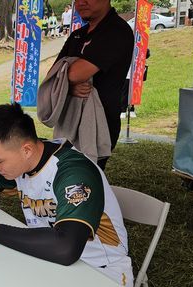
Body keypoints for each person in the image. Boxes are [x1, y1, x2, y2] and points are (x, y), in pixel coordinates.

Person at [0, 103, 133, 287]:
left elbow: (67, 248)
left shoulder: (74, 173)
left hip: (100, 269)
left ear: (26, 150)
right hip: (46, 257)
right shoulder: (26, 159)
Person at [53, 0, 134, 170]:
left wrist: (64, 78)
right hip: (69, 120)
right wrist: (68, 86)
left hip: (99, 123)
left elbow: (76, 73)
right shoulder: (78, 35)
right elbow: (52, 75)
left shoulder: (116, 31)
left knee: (85, 181)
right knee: (65, 173)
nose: (81, 2)